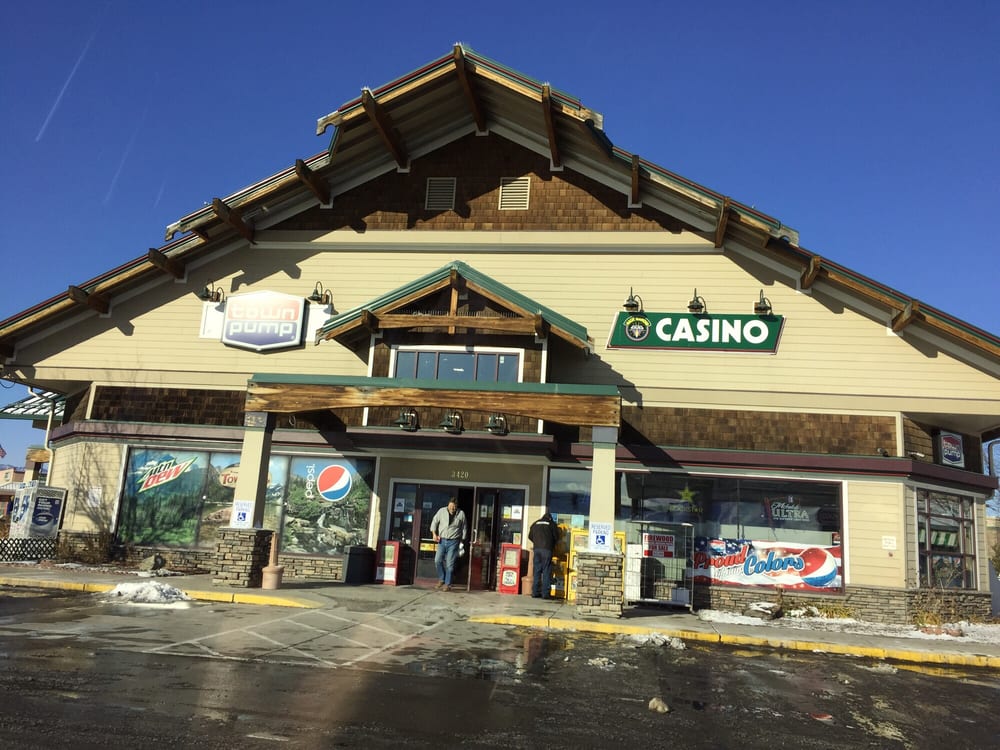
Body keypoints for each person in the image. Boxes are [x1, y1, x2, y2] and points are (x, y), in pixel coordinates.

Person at [430, 498, 467, 591]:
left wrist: (462, 540)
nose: (452, 508)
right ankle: (442, 579)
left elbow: (464, 527)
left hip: (454, 541)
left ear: (457, 506)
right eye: (451, 506)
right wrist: (434, 534)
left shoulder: (461, 514)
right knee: (437, 560)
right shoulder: (441, 511)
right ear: (448, 505)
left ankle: (447, 584)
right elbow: (434, 522)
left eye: (454, 507)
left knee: (449, 564)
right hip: (442, 540)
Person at [528, 510, 560, 599]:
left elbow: (530, 536)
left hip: (537, 549)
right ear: (550, 518)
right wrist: (553, 544)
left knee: (537, 570)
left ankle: (535, 592)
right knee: (546, 570)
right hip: (547, 549)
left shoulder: (535, 523)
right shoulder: (551, 524)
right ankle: (545, 594)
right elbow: (556, 537)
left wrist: (536, 542)